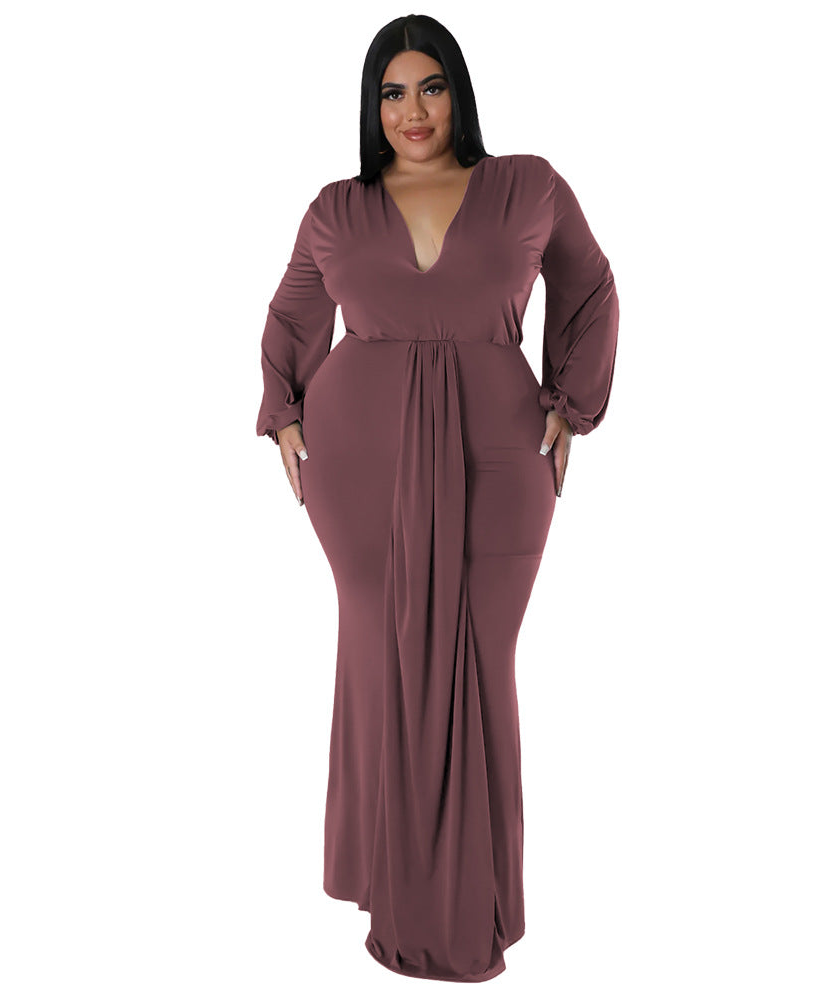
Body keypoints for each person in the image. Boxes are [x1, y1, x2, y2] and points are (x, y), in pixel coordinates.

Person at [256, 15, 619, 983]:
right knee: (379, 655)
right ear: (370, 105)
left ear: (459, 91)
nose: (411, 111)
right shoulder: (337, 208)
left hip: (501, 456)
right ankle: (391, 881)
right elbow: (294, 312)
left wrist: (572, 403)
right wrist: (283, 412)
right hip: (359, 465)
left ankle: (465, 904)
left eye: (430, 87)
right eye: (391, 92)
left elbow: (589, 288)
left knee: (477, 659)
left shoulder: (528, 187)